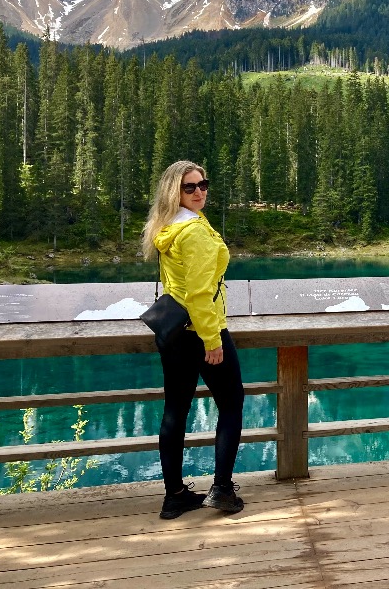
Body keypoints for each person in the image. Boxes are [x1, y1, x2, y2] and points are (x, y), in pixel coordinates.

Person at [141, 160, 245, 519]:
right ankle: (223, 489)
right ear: (175, 192)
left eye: (203, 184)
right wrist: (212, 340)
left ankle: (175, 496)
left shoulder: (167, 227)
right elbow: (200, 294)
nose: (200, 191)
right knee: (231, 405)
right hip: (202, 331)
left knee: (175, 410)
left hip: (173, 334)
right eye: (190, 187)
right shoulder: (195, 233)